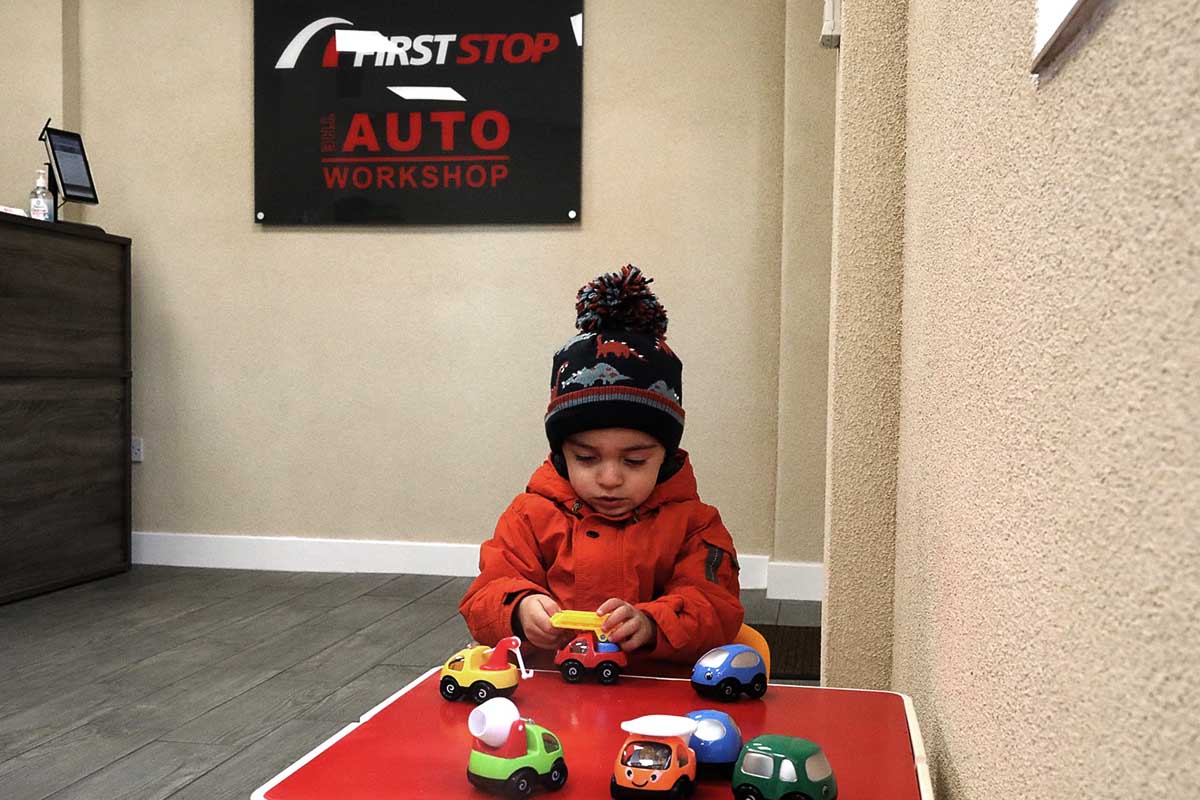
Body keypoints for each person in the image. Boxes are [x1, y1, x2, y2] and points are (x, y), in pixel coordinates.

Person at [459, 265, 744, 663]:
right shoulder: (529, 516)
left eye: (635, 460)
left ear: (664, 457)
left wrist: (651, 624)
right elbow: (484, 596)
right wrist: (519, 609)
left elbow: (717, 608)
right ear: (561, 454)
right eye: (587, 458)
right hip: (554, 697)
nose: (610, 479)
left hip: (656, 704)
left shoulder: (695, 525)